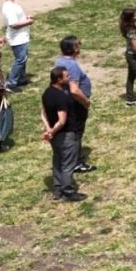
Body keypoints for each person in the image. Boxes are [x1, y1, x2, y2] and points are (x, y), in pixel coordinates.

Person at [40, 66, 84, 201]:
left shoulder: (47, 93)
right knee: (67, 165)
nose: (69, 77)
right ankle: (68, 192)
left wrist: (49, 130)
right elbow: (62, 120)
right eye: (66, 76)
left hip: (55, 136)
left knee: (58, 161)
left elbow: (43, 113)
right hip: (66, 135)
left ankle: (57, 189)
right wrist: (51, 131)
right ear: (59, 79)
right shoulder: (61, 97)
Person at [55, 36, 95, 173]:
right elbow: (74, 89)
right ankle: (76, 162)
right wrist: (86, 101)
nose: (79, 48)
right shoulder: (72, 65)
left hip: (65, 102)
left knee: (71, 131)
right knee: (76, 132)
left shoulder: (60, 61)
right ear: (72, 49)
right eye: (77, 46)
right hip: (75, 104)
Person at [0, 0, 34, 93]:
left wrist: (25, 19)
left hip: (21, 37)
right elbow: (13, 24)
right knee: (20, 59)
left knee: (23, 58)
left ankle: (21, 78)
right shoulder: (9, 8)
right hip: (17, 38)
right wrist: (28, 22)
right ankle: (11, 83)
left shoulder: (11, 5)